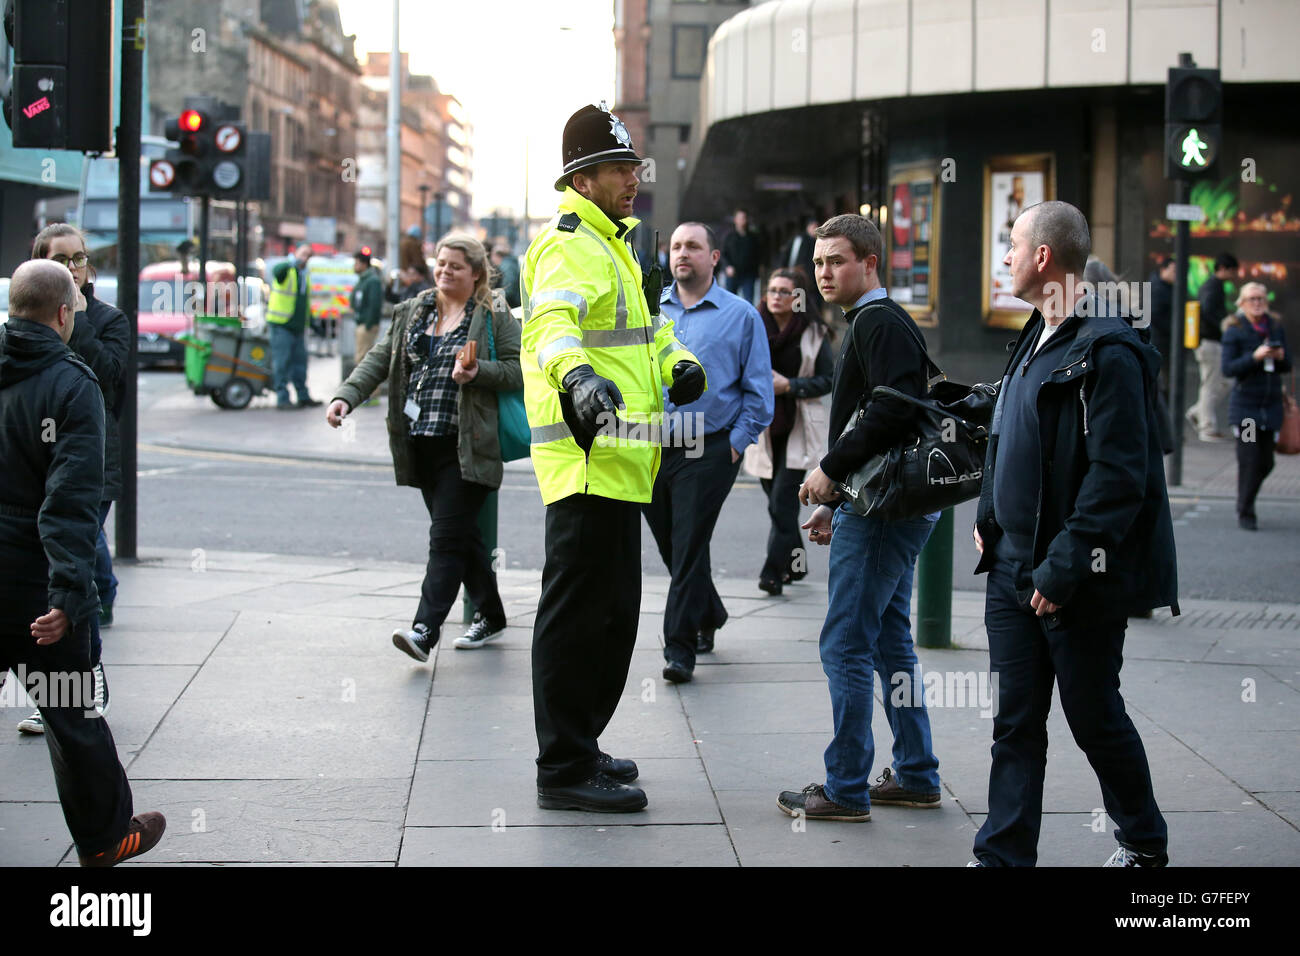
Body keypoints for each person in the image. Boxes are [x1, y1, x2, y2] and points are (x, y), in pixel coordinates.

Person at [970, 201, 1177, 867]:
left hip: (1074, 576)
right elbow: (1009, 432)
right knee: (1015, 723)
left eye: (1012, 245)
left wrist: (1064, 569)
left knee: (1093, 718)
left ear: (1042, 258)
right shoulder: (1033, 332)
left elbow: (1120, 478)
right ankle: (1003, 856)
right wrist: (989, 520)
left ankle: (1143, 842)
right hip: (1010, 569)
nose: (1004, 258)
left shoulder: (1109, 349)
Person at [523, 102, 705, 813]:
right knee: (576, 620)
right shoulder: (569, 242)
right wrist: (576, 377)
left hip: (627, 460)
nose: (634, 178)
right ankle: (562, 768)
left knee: (613, 618)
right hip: (587, 458)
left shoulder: (618, 245)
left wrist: (681, 363)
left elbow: (650, 333)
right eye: (620, 169)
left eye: (633, 167)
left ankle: (583, 743)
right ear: (584, 176)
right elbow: (549, 326)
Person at [776, 214, 942, 823]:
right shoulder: (872, 321)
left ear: (870, 263)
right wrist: (832, 499)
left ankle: (845, 788)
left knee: (846, 641)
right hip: (883, 505)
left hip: (884, 513)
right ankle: (918, 775)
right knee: (890, 640)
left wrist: (829, 468)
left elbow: (894, 410)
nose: (823, 272)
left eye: (836, 261)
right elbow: (878, 414)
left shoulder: (879, 320)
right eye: (818, 263)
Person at [0, 259, 165, 865]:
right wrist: (69, 595)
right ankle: (104, 839)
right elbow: (70, 501)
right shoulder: (72, 385)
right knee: (69, 710)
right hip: (31, 576)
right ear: (66, 313)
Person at [327, 234, 521, 653]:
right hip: (421, 442)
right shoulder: (413, 310)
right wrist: (345, 397)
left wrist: (478, 372)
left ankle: (424, 630)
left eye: (455, 265)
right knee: (461, 537)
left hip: (466, 445)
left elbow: (517, 369)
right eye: (441, 263)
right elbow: (380, 359)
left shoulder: (493, 311)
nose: (445, 270)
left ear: (476, 273)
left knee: (446, 540)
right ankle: (492, 614)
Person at [646, 222, 773, 681]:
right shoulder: (650, 312)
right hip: (652, 446)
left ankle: (679, 649)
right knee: (673, 546)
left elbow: (759, 392)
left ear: (714, 258)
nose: (683, 254)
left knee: (688, 543)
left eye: (694, 247)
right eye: (676, 246)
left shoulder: (741, 316)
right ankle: (710, 612)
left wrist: (736, 445)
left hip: (710, 446)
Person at [18, 225, 129, 736]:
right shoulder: (25, 322)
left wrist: (77, 320)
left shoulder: (107, 320)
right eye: (60, 259)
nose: (72, 268)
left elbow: (108, 377)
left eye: (79, 259)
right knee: (55, 575)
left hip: (90, 468)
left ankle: (84, 678)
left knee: (75, 568)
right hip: (35, 469)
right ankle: (58, 690)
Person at [742, 267, 832, 596]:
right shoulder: (751, 326)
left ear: (798, 298)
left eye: (784, 291)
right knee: (778, 505)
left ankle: (772, 573)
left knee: (782, 504)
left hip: (797, 425)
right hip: (763, 426)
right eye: (772, 290)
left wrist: (790, 386)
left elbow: (827, 379)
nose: (776, 297)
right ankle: (797, 563)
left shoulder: (813, 332)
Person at [1221, 281, 1291, 531]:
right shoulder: (1235, 330)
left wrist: (1281, 358)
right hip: (1247, 409)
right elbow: (1228, 368)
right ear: (1242, 303)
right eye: (1252, 299)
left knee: (1266, 462)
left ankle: (1246, 499)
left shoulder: (1275, 327)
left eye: (1261, 298)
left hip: (1270, 406)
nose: (1257, 303)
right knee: (1250, 459)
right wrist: (1255, 357)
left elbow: (1288, 365)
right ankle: (1246, 511)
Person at [1188, 253, 1239, 441]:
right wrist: (1223, 323)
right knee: (1211, 384)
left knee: (1220, 382)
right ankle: (1206, 427)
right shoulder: (1213, 286)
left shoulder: (1212, 285)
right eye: (1233, 271)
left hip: (1210, 341)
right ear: (1224, 269)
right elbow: (1208, 310)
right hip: (1209, 342)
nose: (1234, 275)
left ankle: (1198, 412)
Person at [267, 243, 322, 409]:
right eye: (303, 253)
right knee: (281, 363)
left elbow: (304, 302)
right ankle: (282, 398)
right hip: (281, 325)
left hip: (298, 327)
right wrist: (293, 262)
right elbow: (277, 271)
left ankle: (303, 395)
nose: (305, 258)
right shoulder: (287, 270)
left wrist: (312, 322)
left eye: (308, 255)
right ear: (295, 253)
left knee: (300, 364)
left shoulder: (304, 275)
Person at [779, 217, 823, 313]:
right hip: (799, 276)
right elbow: (791, 256)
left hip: (814, 279)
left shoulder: (819, 241)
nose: (815, 229)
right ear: (808, 227)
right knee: (799, 304)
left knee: (813, 305)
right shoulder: (800, 239)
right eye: (813, 227)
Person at [350, 246, 383, 367]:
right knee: (362, 359)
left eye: (356, 263)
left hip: (366, 326)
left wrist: (368, 324)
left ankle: (367, 386)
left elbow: (374, 304)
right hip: (361, 323)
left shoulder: (372, 281)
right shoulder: (363, 280)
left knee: (363, 360)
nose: (354, 266)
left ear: (364, 264)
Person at [721, 208, 762, 303]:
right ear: (735, 220)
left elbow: (758, 255)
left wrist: (757, 271)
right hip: (733, 275)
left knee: (748, 301)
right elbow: (723, 254)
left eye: (744, 218)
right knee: (730, 302)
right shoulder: (729, 237)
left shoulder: (753, 238)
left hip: (748, 275)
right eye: (740, 218)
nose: (742, 220)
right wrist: (727, 267)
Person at [489, 240, 521, 310]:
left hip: (514, 306)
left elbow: (509, 289)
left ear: (496, 255)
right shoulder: (509, 264)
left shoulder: (507, 266)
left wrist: (495, 302)